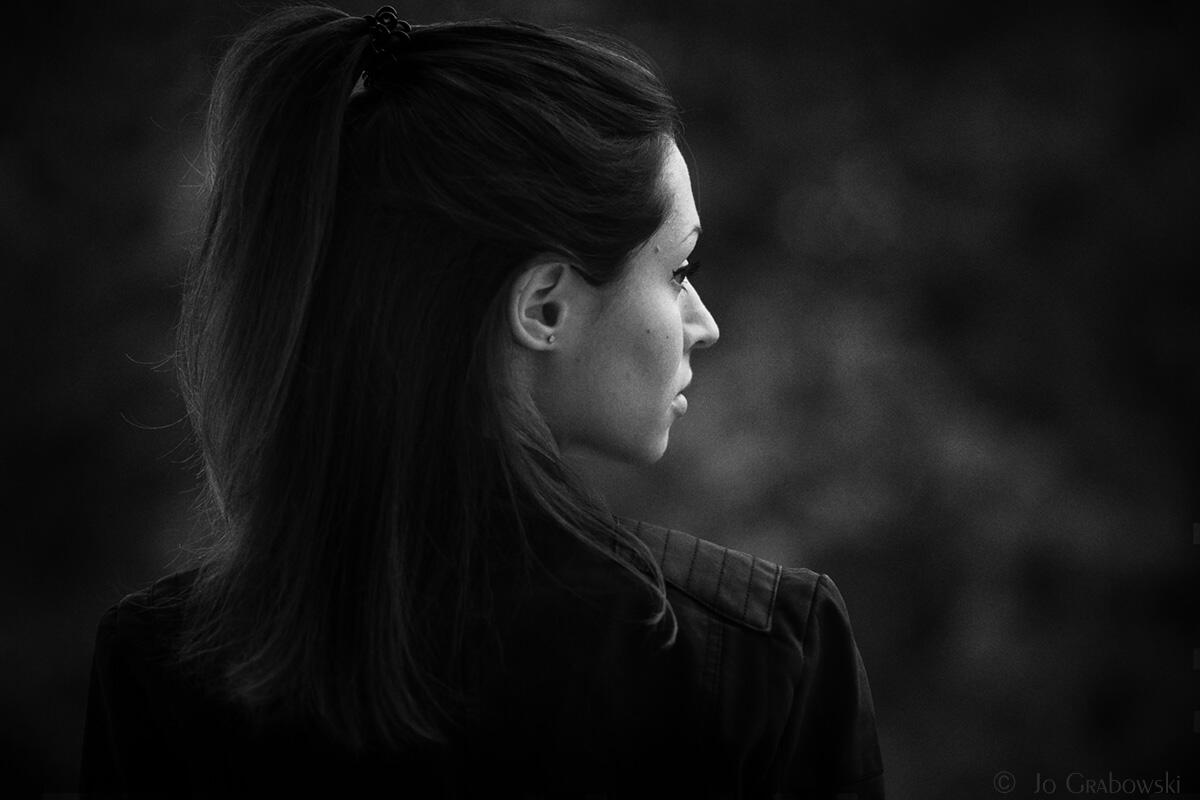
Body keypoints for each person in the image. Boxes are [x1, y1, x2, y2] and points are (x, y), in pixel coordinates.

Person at [81, 5, 884, 798]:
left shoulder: (161, 668)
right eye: (677, 271)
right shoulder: (765, 661)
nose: (703, 325)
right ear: (543, 306)